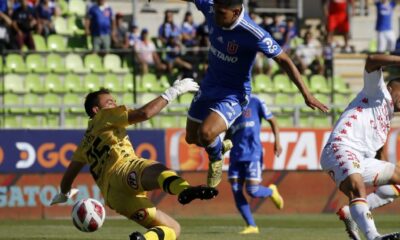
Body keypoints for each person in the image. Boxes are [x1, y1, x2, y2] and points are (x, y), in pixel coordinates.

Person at [176, 0, 328, 188]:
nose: (215, 17)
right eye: (215, 11)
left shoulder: (253, 33)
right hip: (209, 86)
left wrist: (307, 95)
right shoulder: (211, 8)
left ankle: (216, 158)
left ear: (236, 11)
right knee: (192, 138)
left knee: (206, 134)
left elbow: (285, 60)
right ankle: (221, 146)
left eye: (221, 13)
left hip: (234, 94)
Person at [50, 80, 219, 240]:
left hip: (115, 198)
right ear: (96, 110)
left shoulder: (85, 142)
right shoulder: (104, 116)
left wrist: (64, 193)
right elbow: (144, 113)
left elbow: (69, 175)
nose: (114, 105)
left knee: (173, 229)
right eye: (109, 102)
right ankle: (184, 190)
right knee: (159, 171)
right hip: (122, 169)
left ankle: (144, 238)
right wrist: (173, 92)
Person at [320, 54, 400, 240]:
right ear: (392, 87)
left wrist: (383, 165)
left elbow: (378, 151)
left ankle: (351, 211)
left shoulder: (385, 117)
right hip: (341, 147)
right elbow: (372, 59)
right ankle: (373, 237)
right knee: (357, 188)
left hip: (361, 160)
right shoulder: (378, 91)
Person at [225, 95, 284, 234]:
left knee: (252, 190)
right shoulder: (229, 105)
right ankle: (252, 226)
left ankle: (271, 191)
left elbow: (273, 121)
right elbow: (228, 132)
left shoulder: (256, 101)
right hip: (235, 154)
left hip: (253, 152)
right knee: (235, 189)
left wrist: (277, 141)